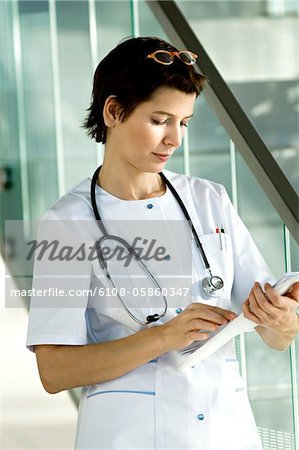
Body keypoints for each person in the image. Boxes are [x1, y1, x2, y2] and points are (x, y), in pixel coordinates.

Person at [26, 36, 299, 450]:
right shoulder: (67, 223)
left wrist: (282, 320)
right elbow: (54, 371)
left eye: (184, 122)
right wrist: (164, 337)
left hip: (225, 430)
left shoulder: (210, 200)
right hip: (128, 434)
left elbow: (275, 338)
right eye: (160, 120)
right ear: (114, 111)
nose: (175, 139)